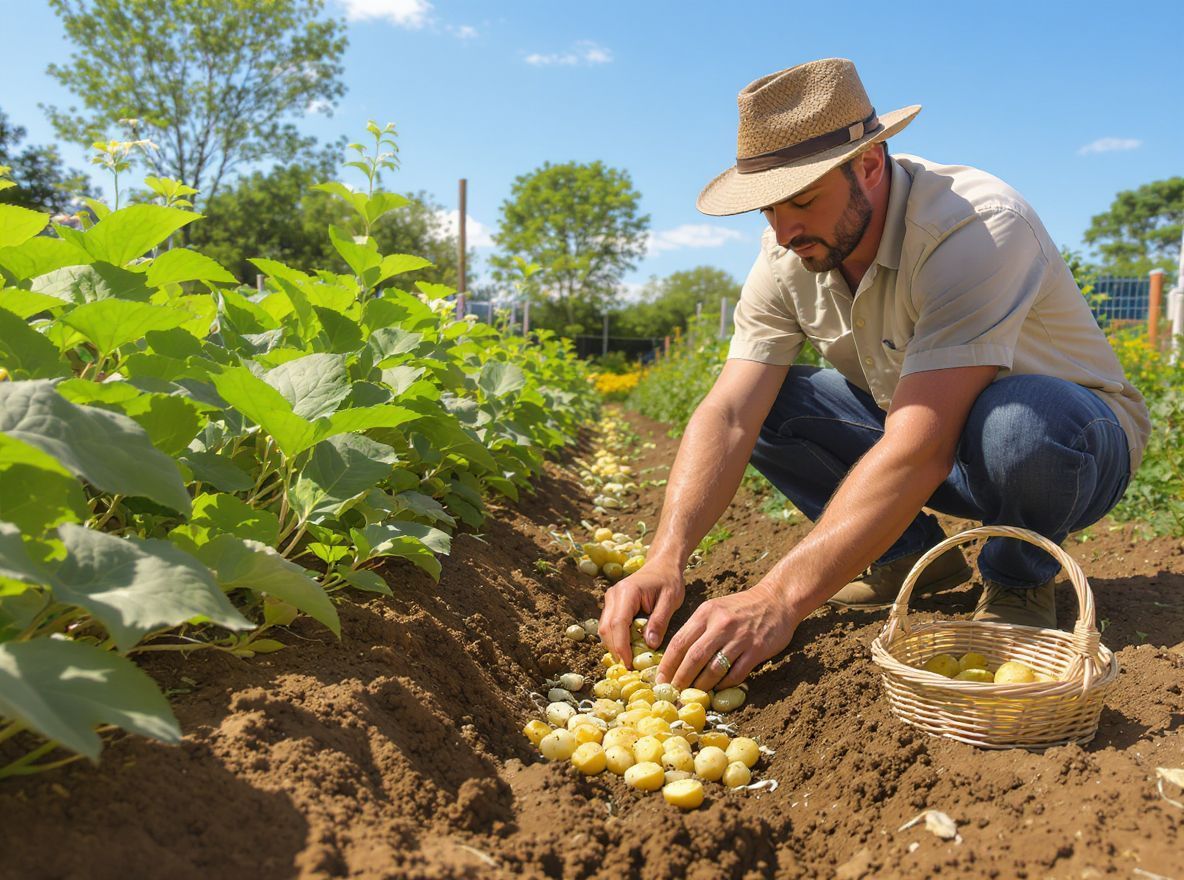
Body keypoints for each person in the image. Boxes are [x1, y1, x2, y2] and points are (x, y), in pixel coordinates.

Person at [598, 58, 1150, 693]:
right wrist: (664, 558)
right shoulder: (788, 253)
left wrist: (778, 599)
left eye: (802, 201)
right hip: (926, 439)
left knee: (1019, 421)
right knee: (770, 404)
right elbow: (728, 415)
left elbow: (921, 445)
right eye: (768, 211)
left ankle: (1020, 580)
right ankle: (902, 554)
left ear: (869, 164)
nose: (783, 232)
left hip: (1070, 446)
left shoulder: (974, 226)